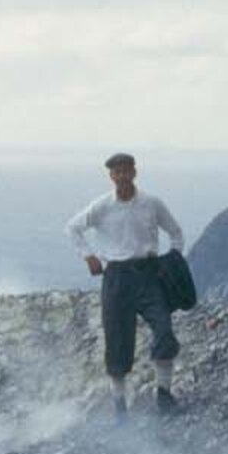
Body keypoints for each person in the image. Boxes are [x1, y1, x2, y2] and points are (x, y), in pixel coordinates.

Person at [68, 154, 185, 416]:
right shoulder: (102, 206)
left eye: (125, 170)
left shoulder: (152, 203)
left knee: (164, 330)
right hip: (116, 279)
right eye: (115, 172)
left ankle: (164, 395)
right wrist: (88, 256)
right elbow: (73, 228)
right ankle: (120, 408)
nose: (121, 176)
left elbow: (175, 232)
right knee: (117, 342)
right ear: (111, 176)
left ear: (134, 172)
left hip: (148, 275)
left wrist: (174, 261)